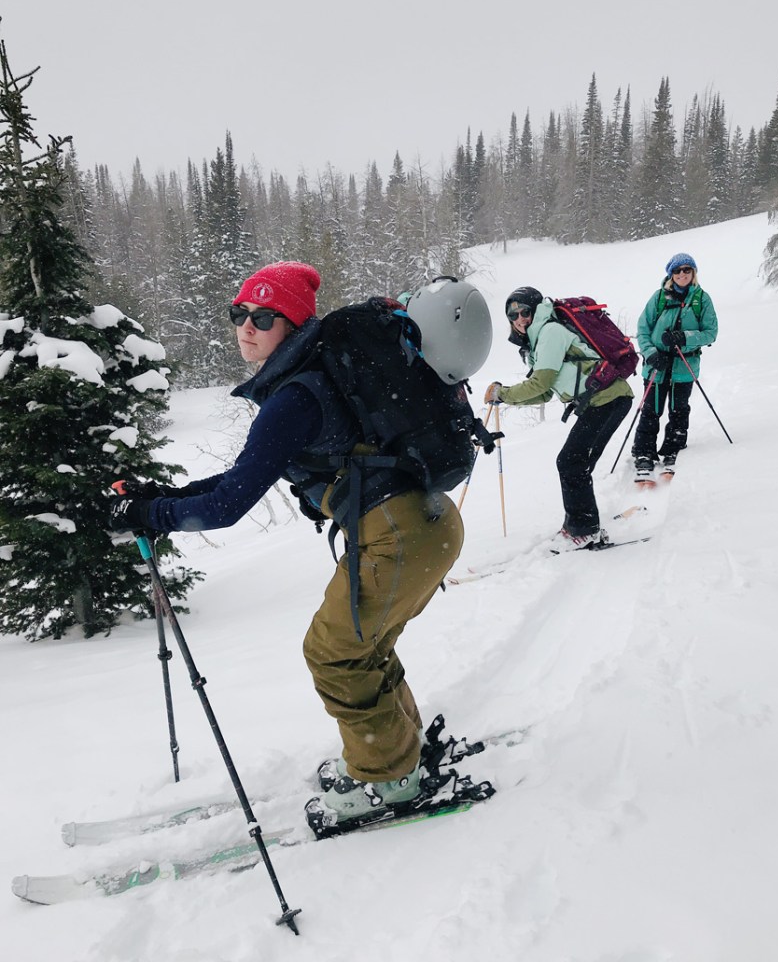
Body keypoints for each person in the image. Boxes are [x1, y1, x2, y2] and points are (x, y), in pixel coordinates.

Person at [109, 261, 465, 825]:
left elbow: (226, 508)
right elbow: (242, 477)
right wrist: (164, 498)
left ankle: (390, 778)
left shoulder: (295, 397)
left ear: (292, 325)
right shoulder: (312, 378)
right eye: (240, 313)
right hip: (423, 526)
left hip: (399, 537)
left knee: (334, 653)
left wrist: (153, 513)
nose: (246, 326)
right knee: (364, 648)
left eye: (264, 316)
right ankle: (401, 753)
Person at [484, 286, 633, 550]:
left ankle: (584, 529)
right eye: (513, 314)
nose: (519, 318)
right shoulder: (538, 341)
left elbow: (540, 384)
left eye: (524, 311)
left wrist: (503, 393)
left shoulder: (550, 332)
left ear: (535, 309)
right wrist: (503, 397)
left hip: (608, 399)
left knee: (571, 462)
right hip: (602, 401)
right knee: (577, 463)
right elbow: (544, 394)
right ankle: (581, 525)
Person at [632, 252, 719, 482]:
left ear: (693, 273)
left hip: (685, 365)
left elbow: (711, 333)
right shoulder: (659, 297)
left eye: (687, 270)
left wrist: (684, 337)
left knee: (679, 410)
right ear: (671, 274)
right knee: (651, 410)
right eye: (678, 270)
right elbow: (642, 329)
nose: (682, 274)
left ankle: (673, 448)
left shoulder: (702, 299)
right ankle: (643, 452)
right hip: (657, 366)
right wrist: (651, 354)